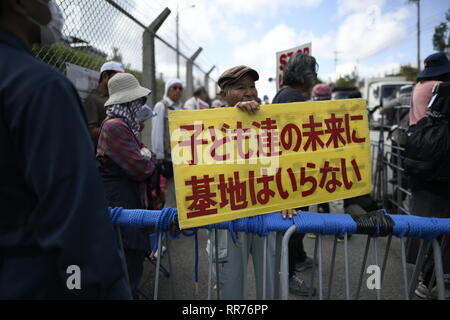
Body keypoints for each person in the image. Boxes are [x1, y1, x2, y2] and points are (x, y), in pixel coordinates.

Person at [0, 0, 130, 299]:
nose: (54, 6)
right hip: (37, 278)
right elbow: (76, 224)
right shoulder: (39, 86)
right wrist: (95, 286)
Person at [206, 65, 297, 300]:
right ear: (223, 95)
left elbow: (281, 161)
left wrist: (285, 196)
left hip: (265, 210)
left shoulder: (268, 120)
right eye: (240, 88)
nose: (249, 93)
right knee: (230, 286)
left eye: (252, 86)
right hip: (227, 216)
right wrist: (235, 118)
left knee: (271, 281)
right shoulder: (206, 124)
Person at [97, 72, 157, 299]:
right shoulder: (115, 127)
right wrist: (147, 156)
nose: (140, 105)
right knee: (128, 262)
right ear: (128, 102)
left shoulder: (125, 125)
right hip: (119, 199)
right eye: (137, 101)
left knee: (131, 261)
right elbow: (142, 167)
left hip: (126, 196)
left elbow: (144, 158)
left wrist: (146, 156)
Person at [272, 53, 319, 296]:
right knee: (292, 224)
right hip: (292, 175)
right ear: (307, 76)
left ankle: (298, 259)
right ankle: (288, 275)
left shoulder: (284, 94)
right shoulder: (294, 98)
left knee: (293, 225)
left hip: (286, 172)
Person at [405, 52, 450, 299]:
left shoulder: (418, 86)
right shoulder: (439, 87)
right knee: (439, 217)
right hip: (436, 152)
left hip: (419, 147)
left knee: (423, 213)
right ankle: (430, 278)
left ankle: (425, 276)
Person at [151, 79, 184, 208]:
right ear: (167, 89)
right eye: (174, 87)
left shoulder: (181, 108)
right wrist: (159, 156)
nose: (177, 91)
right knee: (170, 195)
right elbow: (157, 131)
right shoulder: (161, 106)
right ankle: (168, 226)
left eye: (180, 88)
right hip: (167, 159)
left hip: (180, 157)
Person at [83, 61, 124, 150]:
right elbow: (90, 132)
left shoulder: (114, 97)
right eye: (117, 78)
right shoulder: (93, 99)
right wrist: (116, 129)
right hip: (101, 153)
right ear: (105, 76)